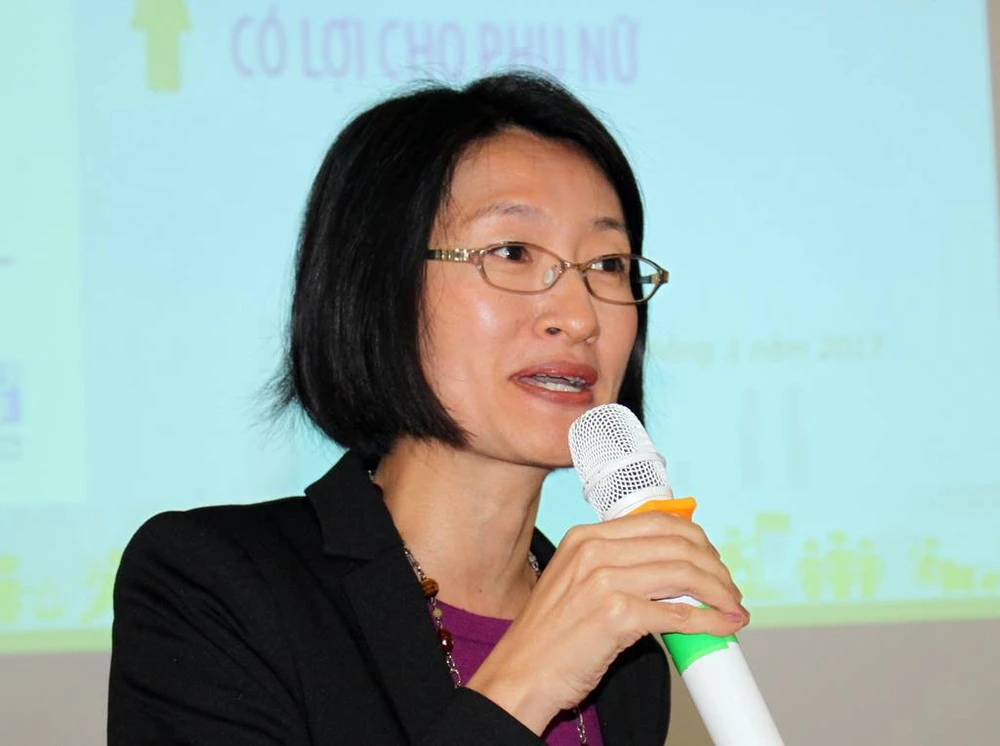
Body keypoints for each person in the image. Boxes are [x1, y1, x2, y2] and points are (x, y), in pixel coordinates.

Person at [107, 71, 748, 745]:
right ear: (379, 286)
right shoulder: (217, 586)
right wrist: (531, 677)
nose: (579, 316)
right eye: (512, 253)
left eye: (609, 264)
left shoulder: (629, 661)